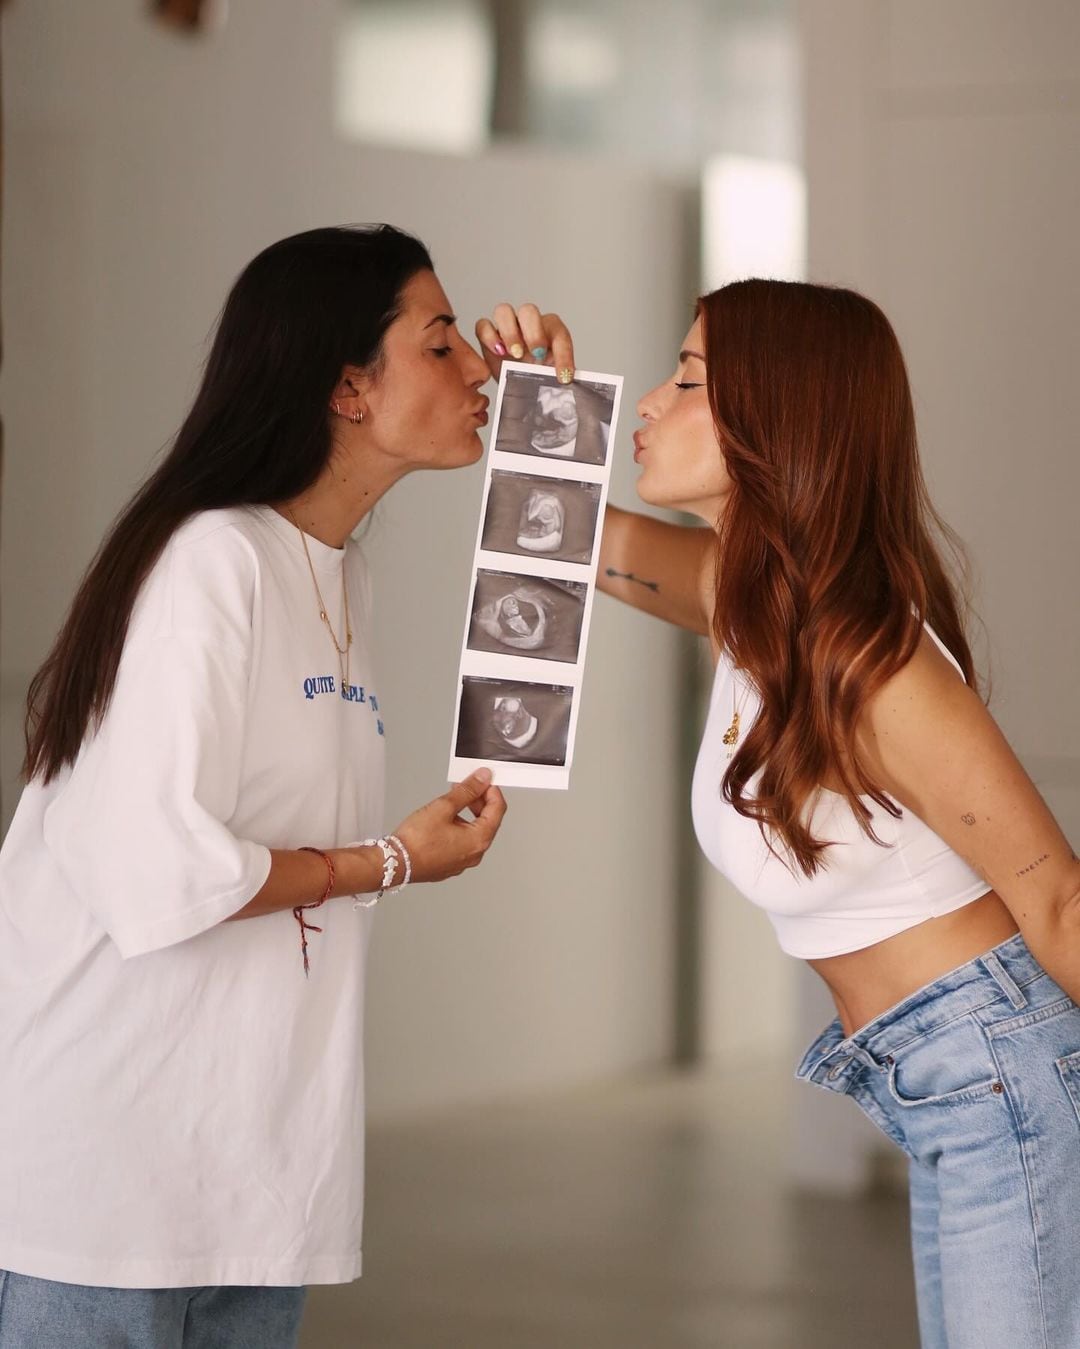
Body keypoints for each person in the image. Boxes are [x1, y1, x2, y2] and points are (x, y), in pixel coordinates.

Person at [0, 225, 573, 1348]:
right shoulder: (213, 559)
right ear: (350, 387)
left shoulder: (332, 567)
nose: (479, 367)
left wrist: (557, 419)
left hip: (248, 1179)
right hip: (108, 1185)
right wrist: (393, 860)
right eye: (443, 339)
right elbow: (154, 871)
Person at [596, 279, 1080, 1349]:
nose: (646, 403)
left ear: (772, 416)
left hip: (997, 1069)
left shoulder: (869, 656)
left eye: (685, 380)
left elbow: (1060, 899)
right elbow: (572, 539)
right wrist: (533, 396)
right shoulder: (757, 606)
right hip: (947, 1084)